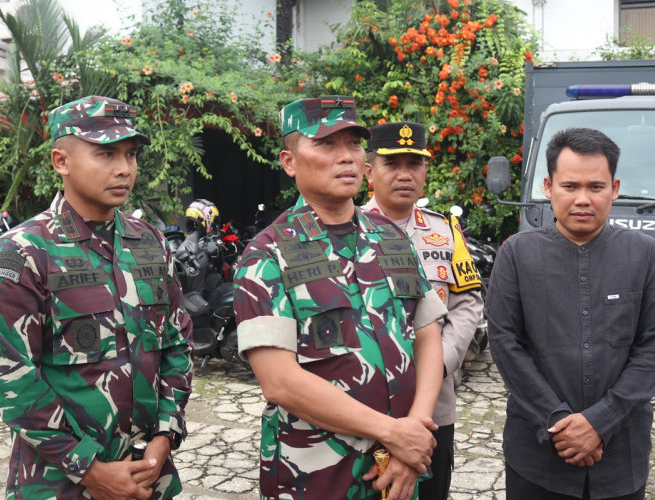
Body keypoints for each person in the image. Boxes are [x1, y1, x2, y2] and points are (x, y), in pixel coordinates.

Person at [0, 96, 193, 500]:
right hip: (59, 481)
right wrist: (89, 469)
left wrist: (165, 434)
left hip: (148, 475)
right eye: (106, 153)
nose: (124, 168)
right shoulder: (22, 254)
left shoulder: (150, 243)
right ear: (61, 161)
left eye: (130, 154)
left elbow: (176, 344)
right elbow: (9, 377)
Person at [233, 95, 447, 500]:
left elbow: (428, 336)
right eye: (327, 144)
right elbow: (279, 382)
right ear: (290, 161)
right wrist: (393, 433)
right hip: (316, 477)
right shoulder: (267, 254)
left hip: (400, 470)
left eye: (353, 144)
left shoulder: (392, 238)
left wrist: (413, 433)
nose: (346, 157)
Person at [486, 127, 655, 500]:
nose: (582, 199)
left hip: (621, 455)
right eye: (569, 186)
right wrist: (557, 422)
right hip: (538, 455)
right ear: (548, 186)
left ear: (615, 187)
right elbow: (505, 344)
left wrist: (600, 421)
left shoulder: (645, 255)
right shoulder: (516, 255)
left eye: (596, 187)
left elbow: (651, 348)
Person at [362, 121, 483, 500]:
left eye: (414, 164)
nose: (404, 174)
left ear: (425, 171)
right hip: (366, 406)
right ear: (369, 171)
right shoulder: (346, 229)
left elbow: (467, 304)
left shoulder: (445, 232)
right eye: (392, 164)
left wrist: (439, 364)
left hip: (434, 409)